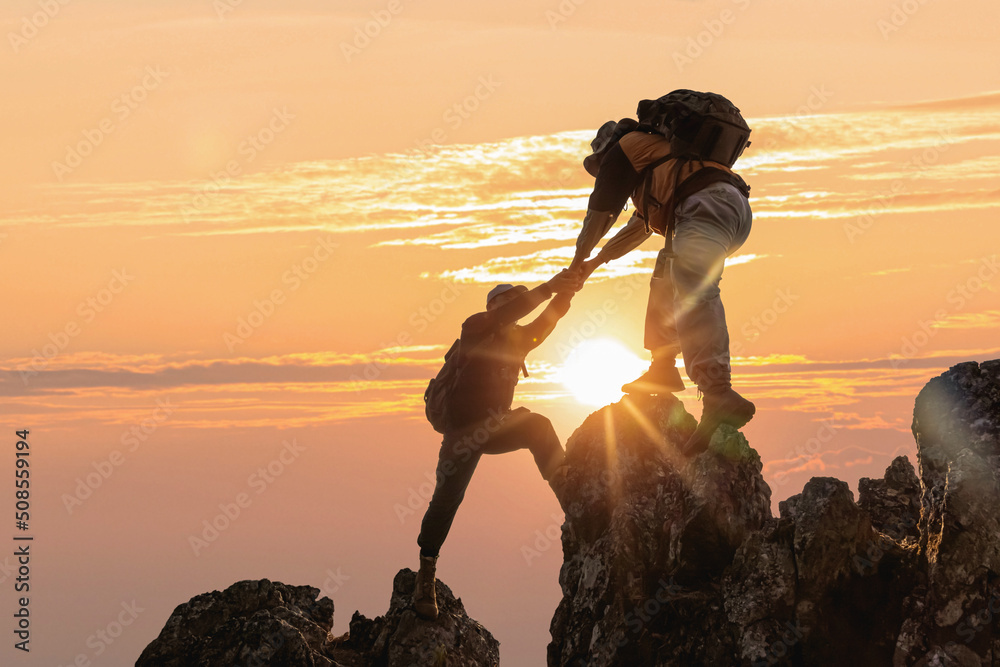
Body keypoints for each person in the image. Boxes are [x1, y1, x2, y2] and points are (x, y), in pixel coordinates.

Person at [568, 90, 756, 456]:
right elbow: (638, 228)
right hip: (725, 209)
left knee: (693, 290)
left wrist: (577, 261)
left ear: (606, 151)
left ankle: (718, 392)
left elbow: (600, 214)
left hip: (705, 207)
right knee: (666, 279)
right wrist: (593, 265)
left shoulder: (626, 151)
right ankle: (663, 366)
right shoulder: (660, 162)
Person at [412, 270, 582, 620]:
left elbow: (548, 319)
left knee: (538, 426)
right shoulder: (474, 328)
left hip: (496, 426)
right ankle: (425, 574)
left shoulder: (518, 340)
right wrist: (549, 287)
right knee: (447, 500)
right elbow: (515, 310)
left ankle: (572, 498)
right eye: (508, 302)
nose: (515, 308)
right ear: (493, 307)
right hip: (462, 433)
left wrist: (567, 292)